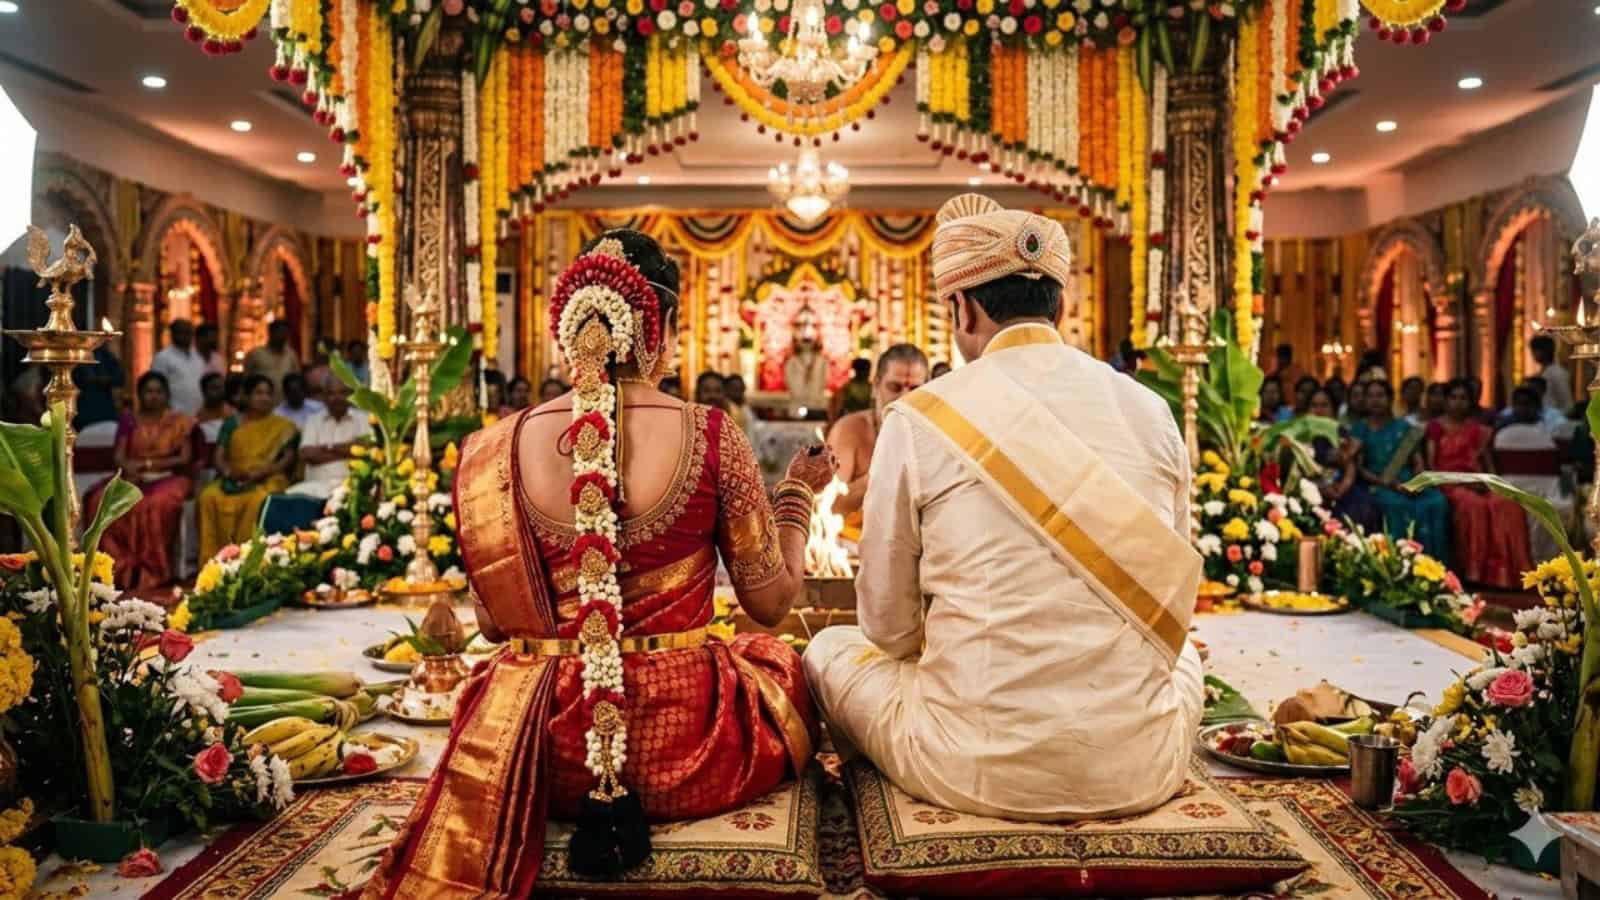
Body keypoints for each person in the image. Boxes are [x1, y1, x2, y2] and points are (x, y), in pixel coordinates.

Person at [366, 229, 829, 896]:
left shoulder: (493, 449)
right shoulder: (711, 433)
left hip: (539, 751)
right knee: (782, 666)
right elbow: (772, 602)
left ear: (569, 325)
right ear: (660, 326)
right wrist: (796, 498)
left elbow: (495, 629)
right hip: (688, 749)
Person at [804, 194, 1203, 822]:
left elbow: (886, 627)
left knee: (827, 649)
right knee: (1187, 663)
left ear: (960, 308)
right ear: (1060, 305)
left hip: (971, 769)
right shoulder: (1150, 410)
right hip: (1141, 765)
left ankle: (878, 797)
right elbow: (1174, 604)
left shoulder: (921, 416)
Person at [84, 372, 198, 592]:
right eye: (148, 392)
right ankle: (114, 571)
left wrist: (148, 465)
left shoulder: (180, 422)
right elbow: (119, 456)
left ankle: (154, 572)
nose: (153, 396)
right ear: (140, 395)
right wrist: (130, 468)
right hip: (132, 475)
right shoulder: (129, 420)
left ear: (167, 395)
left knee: (155, 504)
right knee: (100, 499)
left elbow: (184, 458)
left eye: (158, 392)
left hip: (170, 477)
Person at [1426, 379, 1532, 589]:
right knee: (1474, 507)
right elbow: (1431, 467)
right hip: (1449, 482)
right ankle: (1475, 574)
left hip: (1478, 481)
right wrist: (1464, 482)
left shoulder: (1479, 430)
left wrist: (1492, 484)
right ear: (1445, 401)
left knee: (1507, 504)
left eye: (1463, 398)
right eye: (1453, 398)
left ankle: (1508, 575)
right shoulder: (1435, 427)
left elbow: (1487, 464)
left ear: (1471, 402)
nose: (1458, 403)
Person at [198, 375, 298, 562]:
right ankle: (212, 561)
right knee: (208, 497)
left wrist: (261, 473)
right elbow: (219, 456)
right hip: (234, 476)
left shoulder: (284, 427)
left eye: (269, 393)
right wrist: (229, 472)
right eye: (259, 393)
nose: (264, 398)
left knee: (259, 499)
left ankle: (248, 560)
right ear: (246, 397)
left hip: (268, 476)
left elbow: (287, 459)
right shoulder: (232, 423)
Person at [826, 344, 928, 520]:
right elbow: (830, 506)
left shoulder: (935, 434)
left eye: (914, 389)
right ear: (875, 387)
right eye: (894, 387)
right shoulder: (850, 430)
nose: (904, 398)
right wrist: (882, 470)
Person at [1351, 379, 1449, 559]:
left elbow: (1418, 462)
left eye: (1380, 395)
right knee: (1396, 505)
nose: (1375, 400)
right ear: (1364, 400)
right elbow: (1359, 467)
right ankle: (1397, 565)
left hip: (1408, 481)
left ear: (1390, 399)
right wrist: (1388, 483)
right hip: (1379, 483)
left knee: (1437, 502)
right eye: (1371, 396)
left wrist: (1416, 484)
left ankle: (1433, 565)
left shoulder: (1405, 428)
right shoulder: (1360, 429)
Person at [285, 379, 372, 499]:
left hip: (352, 485)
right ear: (324, 397)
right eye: (331, 393)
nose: (337, 398)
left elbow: (365, 449)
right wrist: (348, 451)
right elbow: (307, 454)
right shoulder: (313, 420)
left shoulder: (364, 419)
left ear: (351, 395)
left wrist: (327, 448)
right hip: (315, 487)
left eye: (342, 393)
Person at [1306, 389, 1377, 533]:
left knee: (1362, 505)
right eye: (1314, 405)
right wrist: (1321, 487)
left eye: (1324, 405)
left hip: (1341, 487)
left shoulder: (1341, 432)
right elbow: (1300, 469)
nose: (1319, 410)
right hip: (1310, 487)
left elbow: (1350, 466)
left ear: (1333, 409)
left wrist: (1342, 488)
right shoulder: (1301, 435)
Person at [150, 319, 211, 416]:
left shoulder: (198, 356)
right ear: (172, 334)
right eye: (181, 332)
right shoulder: (163, 357)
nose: (185, 336)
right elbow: (157, 386)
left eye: (188, 332)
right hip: (173, 415)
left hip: (198, 414)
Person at [74, 344, 124, 428]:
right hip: (84, 408)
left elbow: (119, 378)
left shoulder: (104, 354)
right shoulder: (76, 354)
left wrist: (104, 380)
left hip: (104, 408)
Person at [244, 320, 300, 389]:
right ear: (271, 333)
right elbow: (246, 379)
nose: (283, 336)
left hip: (284, 399)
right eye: (280, 332)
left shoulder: (291, 355)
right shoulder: (256, 354)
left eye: (285, 333)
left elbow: (296, 378)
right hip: (262, 398)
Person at [1532, 334, 1574, 415]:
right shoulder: (1542, 373)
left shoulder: (1557, 372)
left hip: (1556, 419)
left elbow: (1566, 401)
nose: (1534, 354)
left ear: (1545, 351)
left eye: (1536, 350)